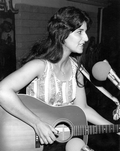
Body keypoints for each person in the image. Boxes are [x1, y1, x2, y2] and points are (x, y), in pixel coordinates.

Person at [0, 6, 118, 151]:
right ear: (62, 33)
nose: (86, 38)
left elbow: (83, 108)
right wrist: (37, 123)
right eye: (80, 32)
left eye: (85, 32)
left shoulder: (77, 69)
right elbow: (2, 91)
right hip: (28, 139)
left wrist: (114, 128)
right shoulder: (39, 66)